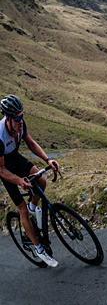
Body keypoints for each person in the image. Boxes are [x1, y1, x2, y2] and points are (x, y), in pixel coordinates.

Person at [0, 95, 60, 267]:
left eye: (22, 116)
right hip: (4, 169)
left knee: (41, 181)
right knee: (22, 210)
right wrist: (19, 181)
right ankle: (39, 249)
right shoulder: (0, 137)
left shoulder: (20, 125)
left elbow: (31, 143)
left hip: (15, 158)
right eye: (17, 118)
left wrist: (48, 160)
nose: (21, 121)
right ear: (8, 118)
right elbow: (2, 170)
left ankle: (35, 205)